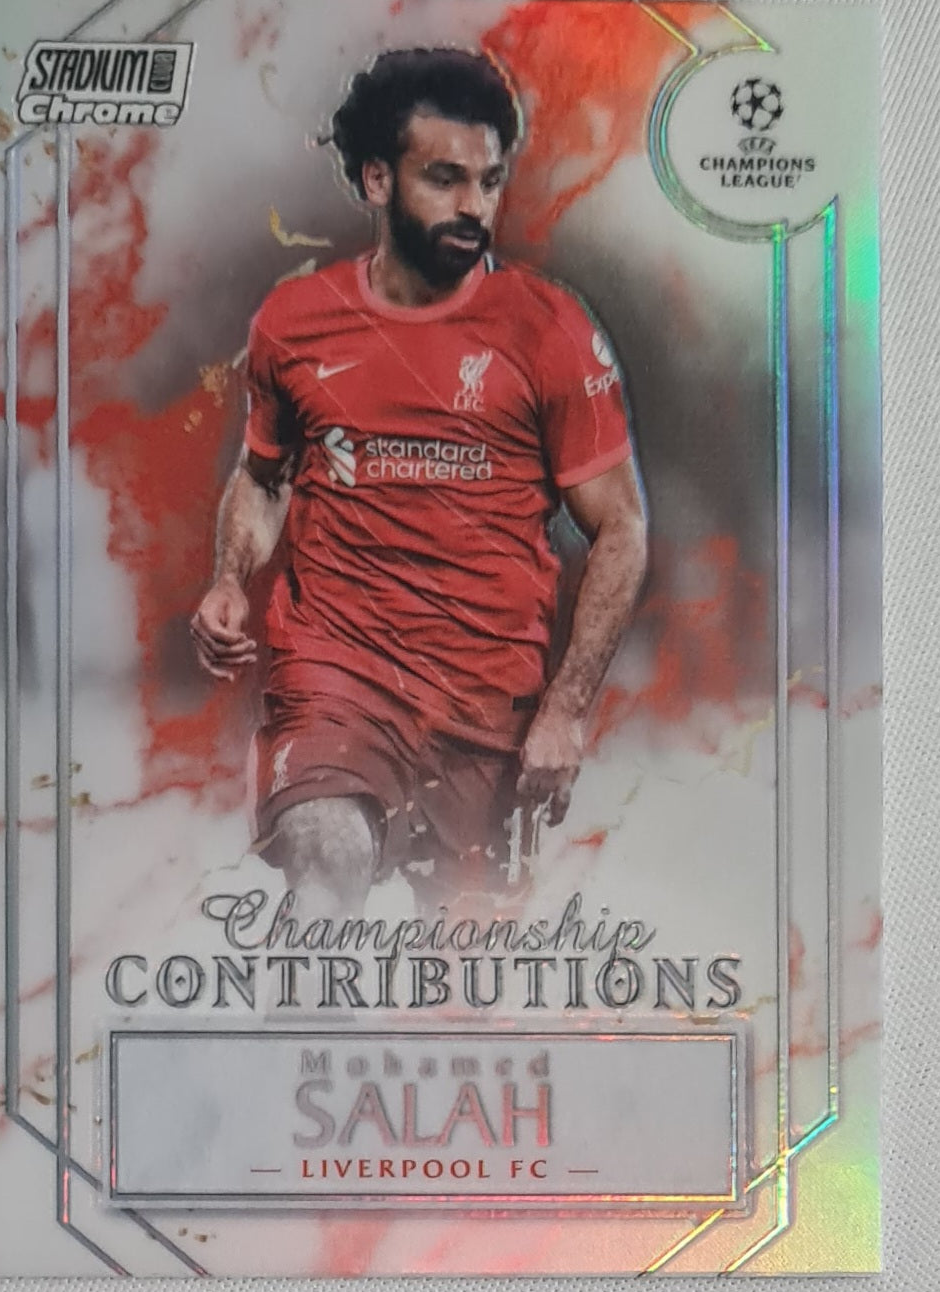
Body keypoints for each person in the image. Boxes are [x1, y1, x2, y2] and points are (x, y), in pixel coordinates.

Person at [191, 47, 648, 916]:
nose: (475, 205)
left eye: (490, 180)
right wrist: (228, 578)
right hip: (337, 675)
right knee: (327, 852)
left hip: (486, 709)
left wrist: (566, 709)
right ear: (376, 179)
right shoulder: (294, 322)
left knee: (465, 975)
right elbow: (263, 478)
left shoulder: (549, 331)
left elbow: (620, 527)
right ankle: (303, 1007)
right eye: (445, 178)